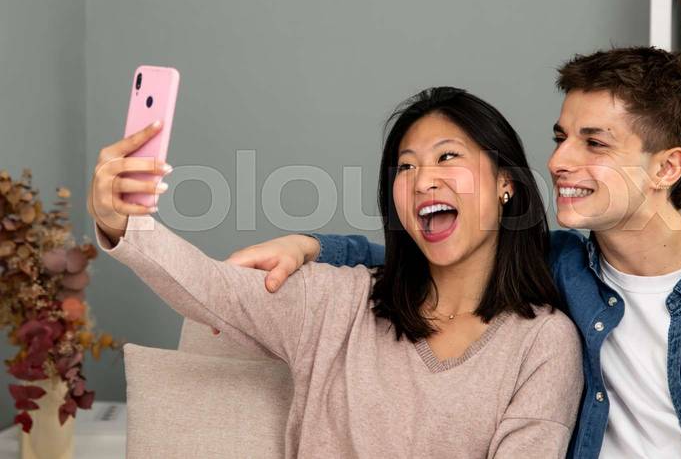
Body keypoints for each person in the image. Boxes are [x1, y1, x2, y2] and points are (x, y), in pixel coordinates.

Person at [227, 47, 681, 458]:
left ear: (667, 168)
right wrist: (311, 245)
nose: (558, 162)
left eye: (593, 142)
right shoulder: (558, 265)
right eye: (560, 137)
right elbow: (421, 253)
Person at [88, 87, 584, 458]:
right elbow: (211, 288)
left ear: (505, 184)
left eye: (447, 157)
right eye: (404, 167)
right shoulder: (338, 303)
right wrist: (123, 221)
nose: (422, 179)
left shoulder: (544, 343)